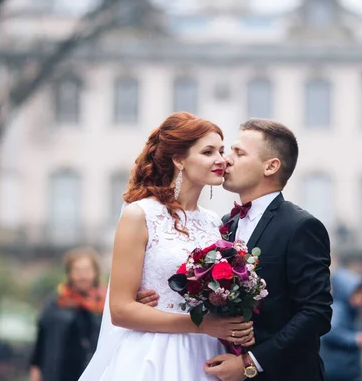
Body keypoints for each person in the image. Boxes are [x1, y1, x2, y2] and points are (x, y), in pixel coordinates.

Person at [138, 119, 333, 381]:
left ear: (271, 166)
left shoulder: (300, 226)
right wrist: (156, 301)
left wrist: (250, 363)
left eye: (238, 153)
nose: (225, 160)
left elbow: (316, 313)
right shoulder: (221, 226)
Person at [78, 112, 254, 381]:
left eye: (221, 150)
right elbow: (121, 310)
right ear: (179, 159)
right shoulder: (141, 214)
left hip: (207, 353)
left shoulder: (214, 223)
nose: (221, 159)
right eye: (208, 152)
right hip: (155, 354)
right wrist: (202, 325)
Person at [29, 247, 106, 381]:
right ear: (69, 273)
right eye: (77, 270)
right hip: (57, 373)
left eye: (87, 270)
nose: (83, 276)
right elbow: (42, 338)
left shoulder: (106, 304)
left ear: (95, 273)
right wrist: (35, 369)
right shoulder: (57, 301)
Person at [319, 268, 362, 381]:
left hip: (344, 370)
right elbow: (330, 331)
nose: (361, 298)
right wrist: (354, 339)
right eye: (357, 293)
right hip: (338, 370)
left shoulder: (349, 310)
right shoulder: (339, 310)